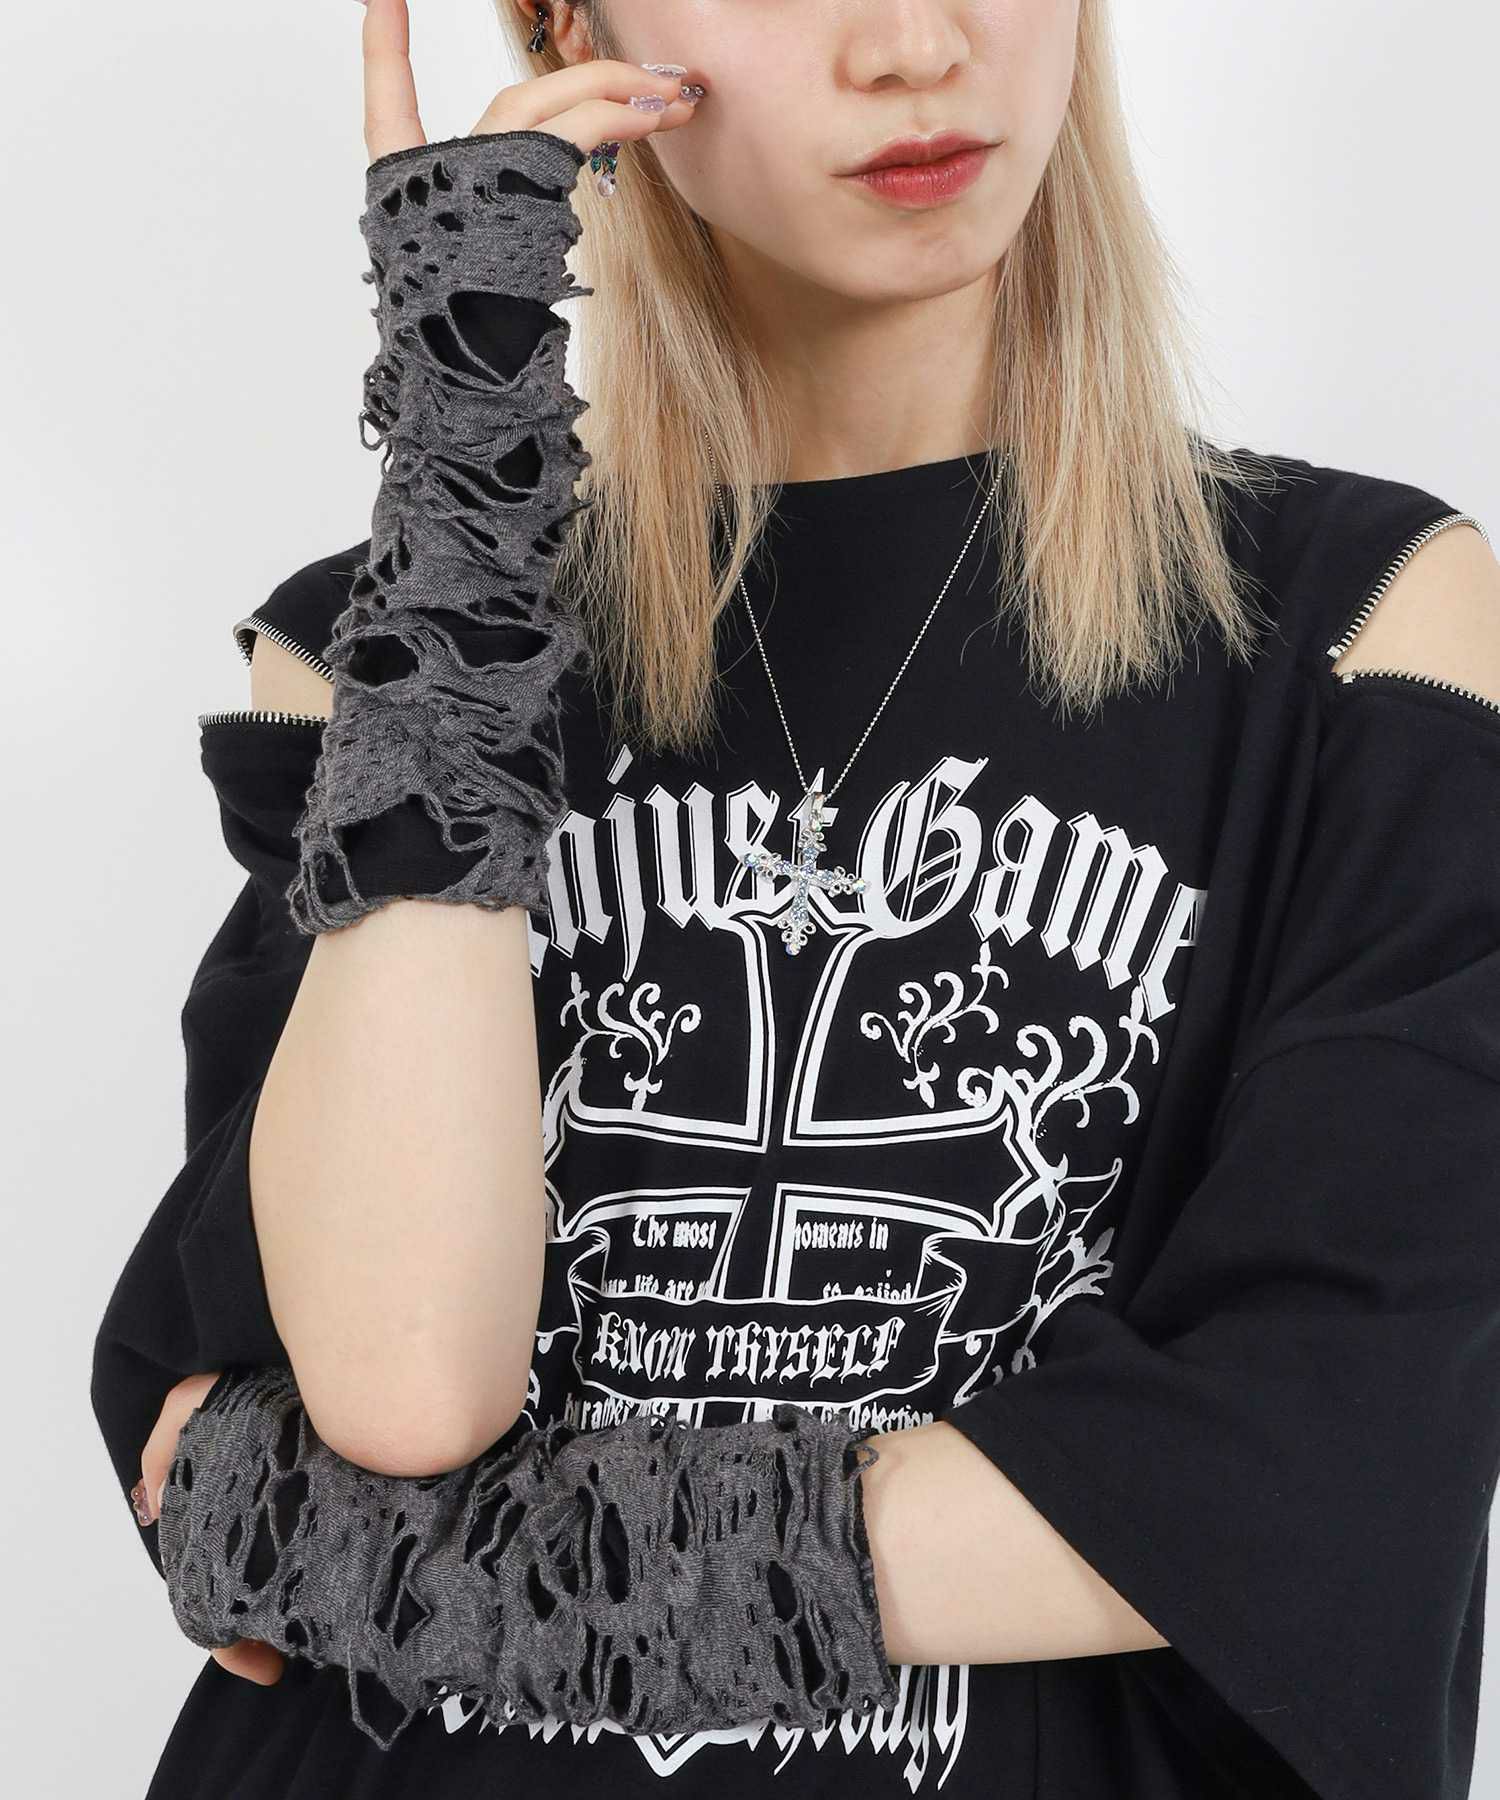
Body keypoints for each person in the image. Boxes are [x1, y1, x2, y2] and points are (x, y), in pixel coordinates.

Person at [89, 1, 1500, 1795]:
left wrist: (393, 1562)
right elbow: (405, 1381)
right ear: (570, 25)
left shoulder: (1360, 618)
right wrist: (461, 474)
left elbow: (1316, 1471)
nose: (913, 44)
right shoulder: (389, 646)